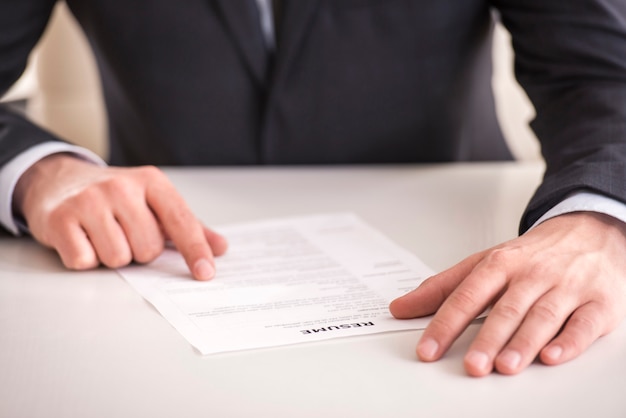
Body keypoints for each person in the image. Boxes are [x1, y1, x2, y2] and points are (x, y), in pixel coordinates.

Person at [1, 0, 626, 377]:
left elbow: (603, 73)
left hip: (453, 251)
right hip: (144, 283)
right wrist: (37, 171)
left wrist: (598, 217)